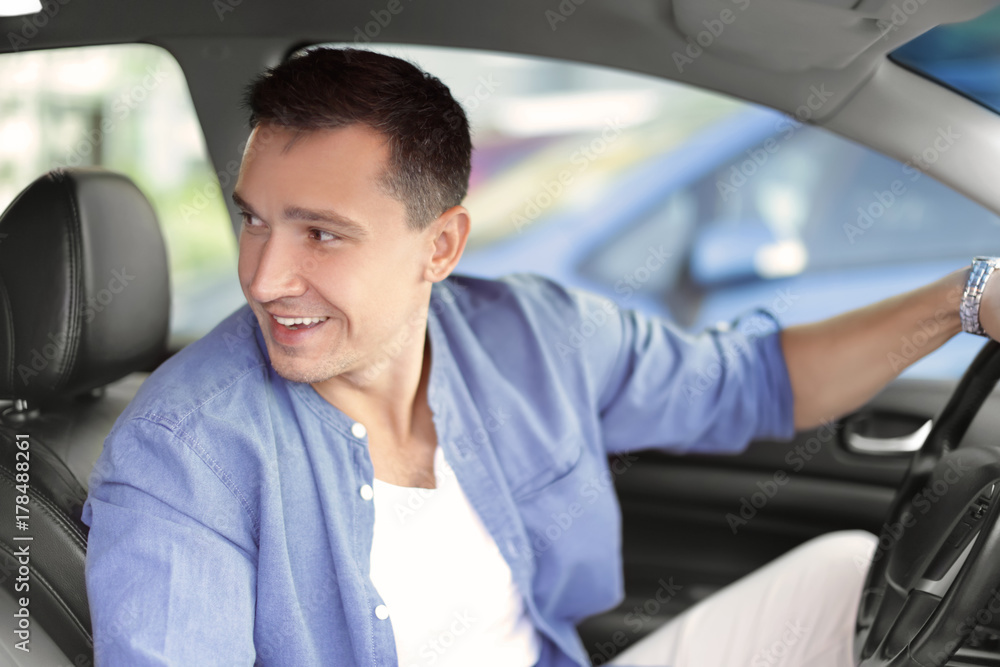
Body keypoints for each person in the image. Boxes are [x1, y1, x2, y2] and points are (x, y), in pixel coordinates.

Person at [81, 46, 1000, 667]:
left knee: (844, 570)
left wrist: (964, 299)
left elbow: (756, 383)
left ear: (440, 247)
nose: (266, 275)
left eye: (320, 233)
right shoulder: (183, 456)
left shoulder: (529, 337)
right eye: (253, 219)